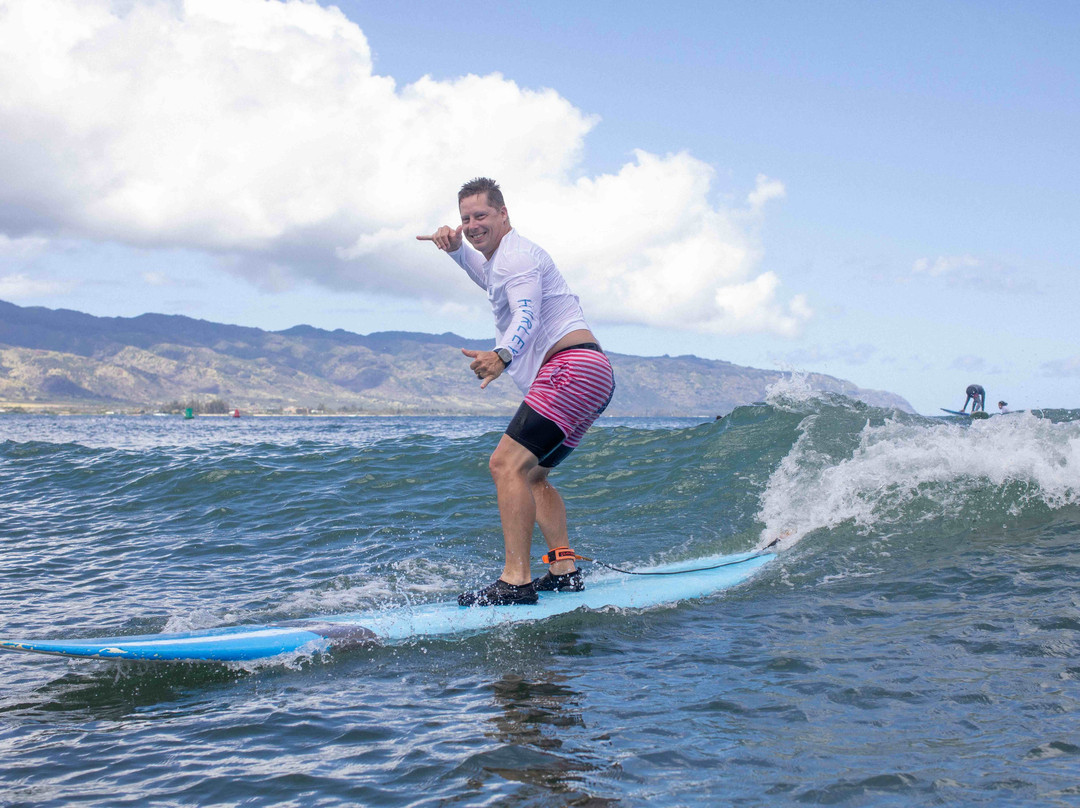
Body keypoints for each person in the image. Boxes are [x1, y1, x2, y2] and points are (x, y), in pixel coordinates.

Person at [417, 177, 616, 606]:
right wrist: (456, 252)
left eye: (481, 215)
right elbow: (489, 279)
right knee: (532, 475)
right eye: (465, 218)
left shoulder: (518, 259)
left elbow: (525, 312)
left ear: (503, 214)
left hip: (571, 368)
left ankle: (515, 580)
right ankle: (563, 570)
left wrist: (503, 355)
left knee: (505, 465)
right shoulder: (503, 260)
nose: (472, 224)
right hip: (591, 371)